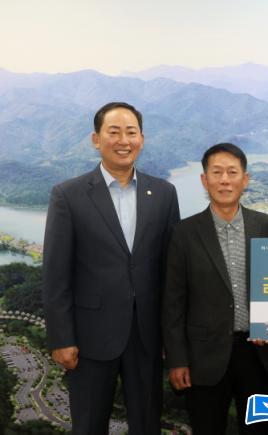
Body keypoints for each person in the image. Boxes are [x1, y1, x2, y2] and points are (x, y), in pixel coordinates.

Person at [42, 102, 180, 434]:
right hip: (90, 338)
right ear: (96, 139)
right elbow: (56, 274)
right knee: (89, 424)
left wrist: (171, 338)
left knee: (147, 424)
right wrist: (62, 337)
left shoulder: (164, 193)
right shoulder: (68, 195)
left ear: (142, 139)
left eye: (131, 132)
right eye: (114, 132)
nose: (123, 141)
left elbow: (172, 272)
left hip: (147, 336)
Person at [162, 143, 268, 434]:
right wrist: (177, 360)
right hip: (203, 358)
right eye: (217, 173)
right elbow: (173, 303)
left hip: (259, 357)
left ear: (245, 179)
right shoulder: (184, 233)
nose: (225, 180)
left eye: (232, 172)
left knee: (258, 431)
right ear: (204, 180)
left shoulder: (267, 226)